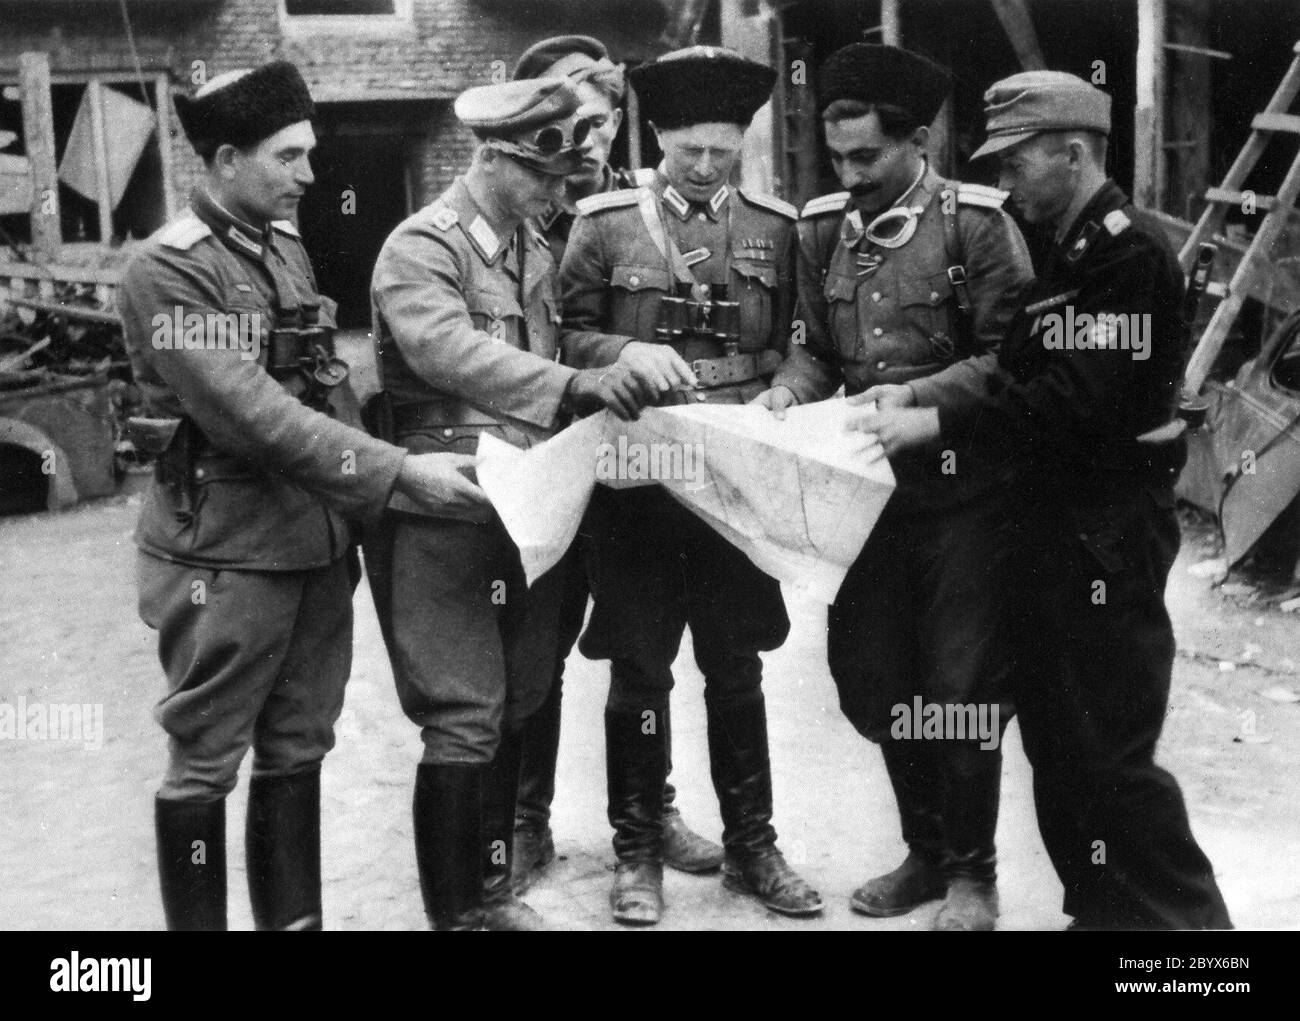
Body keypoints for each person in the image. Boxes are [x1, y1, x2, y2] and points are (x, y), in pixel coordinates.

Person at [849, 70, 1233, 930]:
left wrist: (937, 429)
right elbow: (1014, 365)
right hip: (1059, 534)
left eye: (1017, 162)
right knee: (1060, 747)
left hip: (1106, 535)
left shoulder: (1129, 256)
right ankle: (1102, 917)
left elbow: (1069, 401)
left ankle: (1192, 948)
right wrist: (926, 396)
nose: (1006, 179)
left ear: (1073, 151)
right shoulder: (1067, 245)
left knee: (1111, 754)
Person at [117, 60, 487, 931]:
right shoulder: (165, 273)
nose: (309, 176)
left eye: (309, 153)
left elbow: (324, 386)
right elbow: (257, 417)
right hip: (225, 551)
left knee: (298, 747)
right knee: (205, 760)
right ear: (223, 161)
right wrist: (398, 476)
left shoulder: (280, 242)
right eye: (287, 157)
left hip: (315, 541)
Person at [364, 76, 690, 931]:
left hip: (529, 499)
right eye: (545, 178)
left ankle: (494, 890)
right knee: (463, 712)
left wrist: (618, 355)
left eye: (565, 179)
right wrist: (581, 384)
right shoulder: (420, 247)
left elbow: (552, 338)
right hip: (447, 502)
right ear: (495, 157)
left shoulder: (531, 251)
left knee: (520, 695)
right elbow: (448, 352)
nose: (557, 195)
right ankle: (459, 913)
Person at [750, 43, 1034, 930]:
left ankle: (972, 873)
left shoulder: (977, 226)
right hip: (864, 496)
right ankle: (924, 850)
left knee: (958, 688)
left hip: (963, 498)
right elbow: (814, 347)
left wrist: (922, 398)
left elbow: (1015, 361)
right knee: (874, 679)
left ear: (919, 142)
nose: (850, 175)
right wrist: (786, 391)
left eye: (866, 157)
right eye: (837, 160)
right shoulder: (822, 228)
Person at [561, 44, 822, 925]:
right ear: (658, 138)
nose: (705, 169)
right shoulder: (604, 224)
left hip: (736, 470)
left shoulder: (775, 228)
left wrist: (788, 387)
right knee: (638, 666)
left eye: (722, 152)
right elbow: (566, 337)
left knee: (735, 662)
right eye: (688, 153)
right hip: (639, 469)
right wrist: (623, 352)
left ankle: (753, 844)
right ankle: (637, 849)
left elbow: (807, 337)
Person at [509, 33, 724, 894]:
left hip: (636, 462)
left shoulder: (644, 211)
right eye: (564, 114)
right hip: (551, 455)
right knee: (541, 643)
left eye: (598, 119)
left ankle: (651, 808)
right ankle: (525, 819)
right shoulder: (518, 211)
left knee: (644, 646)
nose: (584, 135)